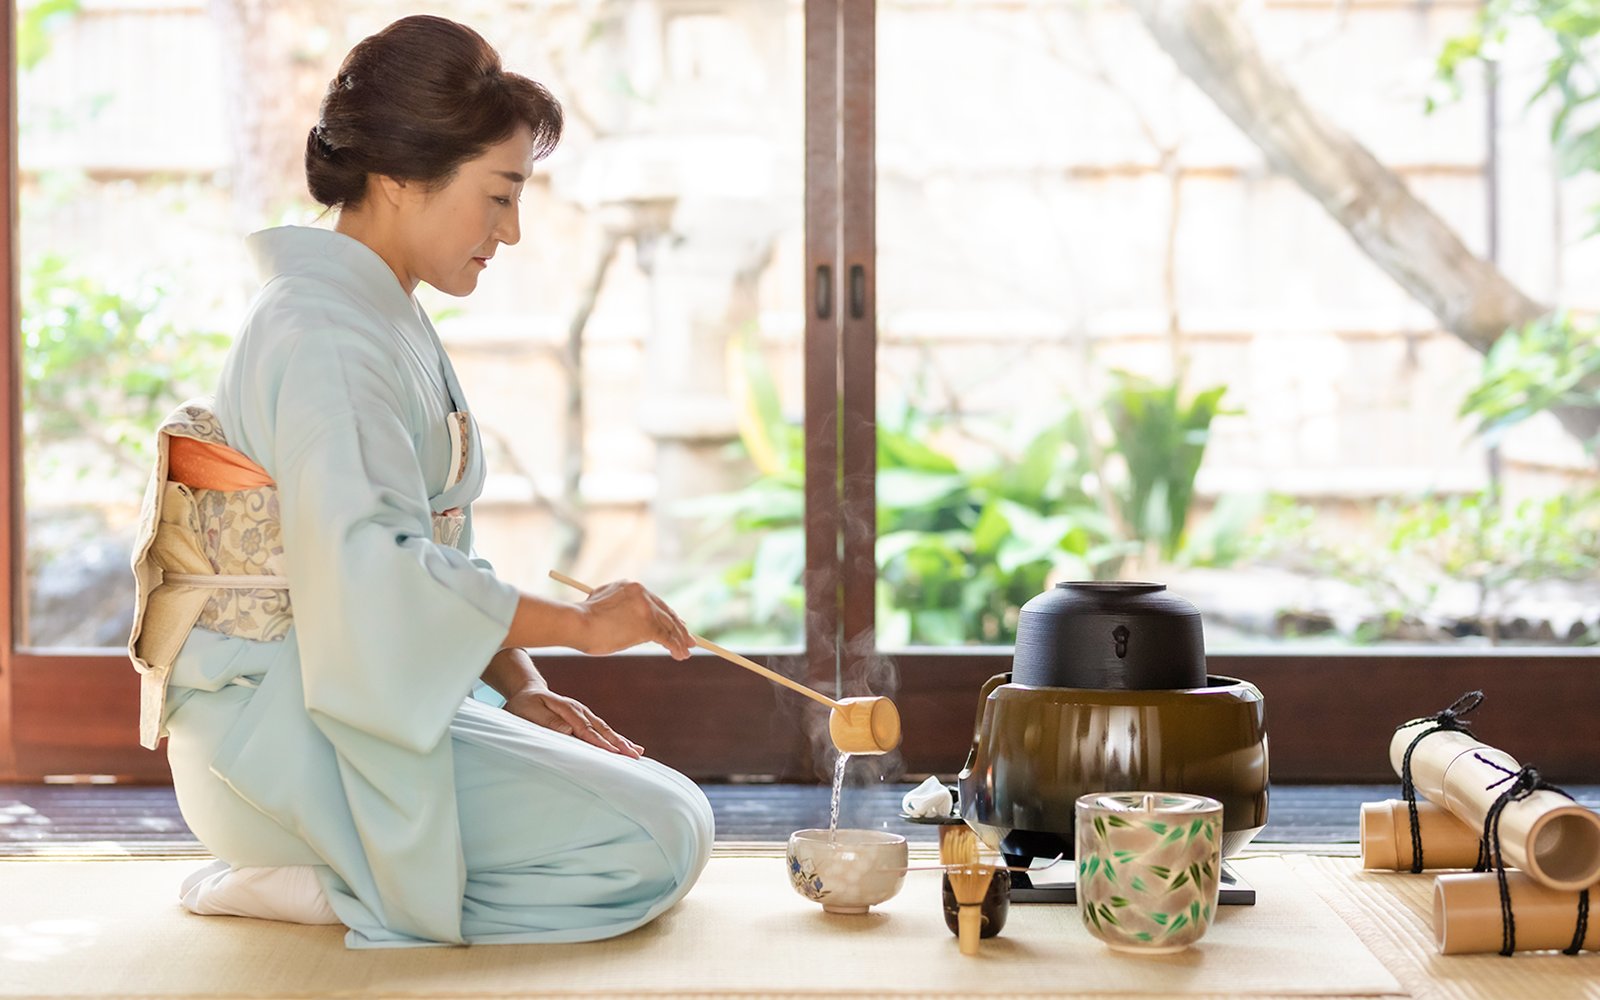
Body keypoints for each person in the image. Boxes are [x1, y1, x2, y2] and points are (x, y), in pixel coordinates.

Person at [126, 14, 715, 948]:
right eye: (500, 195)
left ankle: (348, 871)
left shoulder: (372, 310)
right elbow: (382, 576)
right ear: (400, 177)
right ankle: (323, 878)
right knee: (658, 839)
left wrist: (520, 685)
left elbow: (425, 551)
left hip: (344, 690)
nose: (512, 231)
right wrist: (580, 627)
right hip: (280, 728)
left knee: (671, 801)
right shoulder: (324, 333)